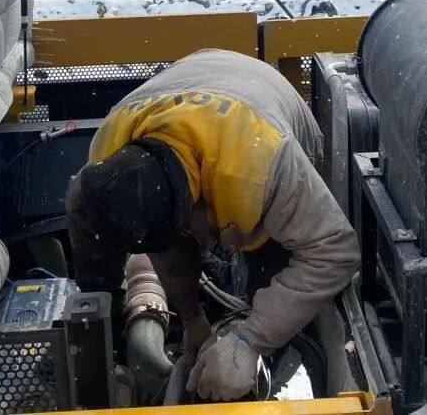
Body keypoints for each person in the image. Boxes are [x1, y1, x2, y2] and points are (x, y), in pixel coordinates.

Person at [66, 48, 360, 402]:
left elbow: (336, 252)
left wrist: (249, 340)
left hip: (262, 109)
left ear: (198, 204)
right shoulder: (106, 162)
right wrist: (190, 319)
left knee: (274, 289)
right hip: (204, 84)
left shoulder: (264, 164)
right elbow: (162, 243)